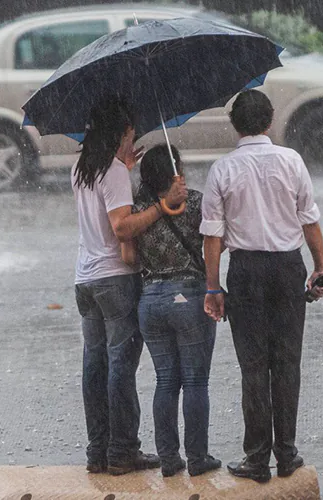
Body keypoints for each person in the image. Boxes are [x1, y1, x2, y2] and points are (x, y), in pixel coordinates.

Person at [200, 90, 323, 483]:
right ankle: (287, 454)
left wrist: (213, 287)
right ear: (270, 121)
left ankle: (257, 458)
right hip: (288, 268)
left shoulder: (221, 170)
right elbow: (308, 220)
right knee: (287, 363)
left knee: (253, 365)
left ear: (235, 125)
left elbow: (212, 236)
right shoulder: (291, 161)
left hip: (245, 271)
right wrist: (320, 266)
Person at [71, 97, 187, 476]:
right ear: (120, 133)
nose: (133, 138)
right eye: (131, 133)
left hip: (85, 279)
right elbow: (121, 227)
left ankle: (98, 450)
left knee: (95, 363)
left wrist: (126, 167)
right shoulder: (114, 172)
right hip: (115, 280)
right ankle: (122, 450)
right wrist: (161, 206)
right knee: (120, 364)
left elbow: (102, 208)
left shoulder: (81, 167)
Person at [121, 144, 222, 478]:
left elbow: (131, 258)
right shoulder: (194, 201)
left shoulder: (138, 209)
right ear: (176, 169)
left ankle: (168, 458)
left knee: (166, 380)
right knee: (195, 381)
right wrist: (213, 287)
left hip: (150, 301)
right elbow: (216, 242)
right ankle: (198, 458)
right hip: (188, 297)